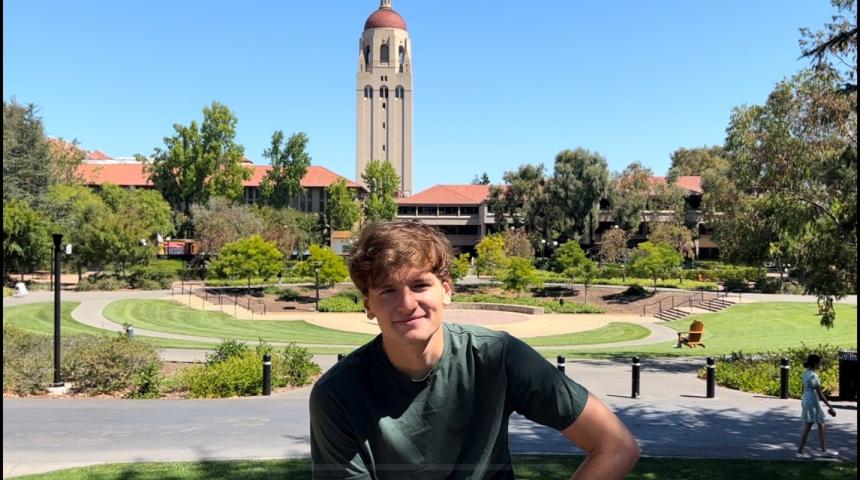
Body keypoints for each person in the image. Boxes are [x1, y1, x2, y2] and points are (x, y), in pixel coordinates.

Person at [310, 220, 640, 479]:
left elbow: (616, 446)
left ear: (446, 291)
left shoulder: (497, 357)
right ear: (368, 304)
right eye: (387, 290)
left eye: (420, 285)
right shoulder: (338, 394)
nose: (407, 304)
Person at [795, 354, 838, 459]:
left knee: (816, 424)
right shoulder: (814, 376)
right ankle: (820, 451)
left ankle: (802, 451)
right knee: (815, 425)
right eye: (819, 363)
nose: (820, 365)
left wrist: (803, 400)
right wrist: (830, 406)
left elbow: (803, 389)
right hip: (812, 402)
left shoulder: (805, 374)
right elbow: (820, 394)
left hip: (806, 400)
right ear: (815, 363)